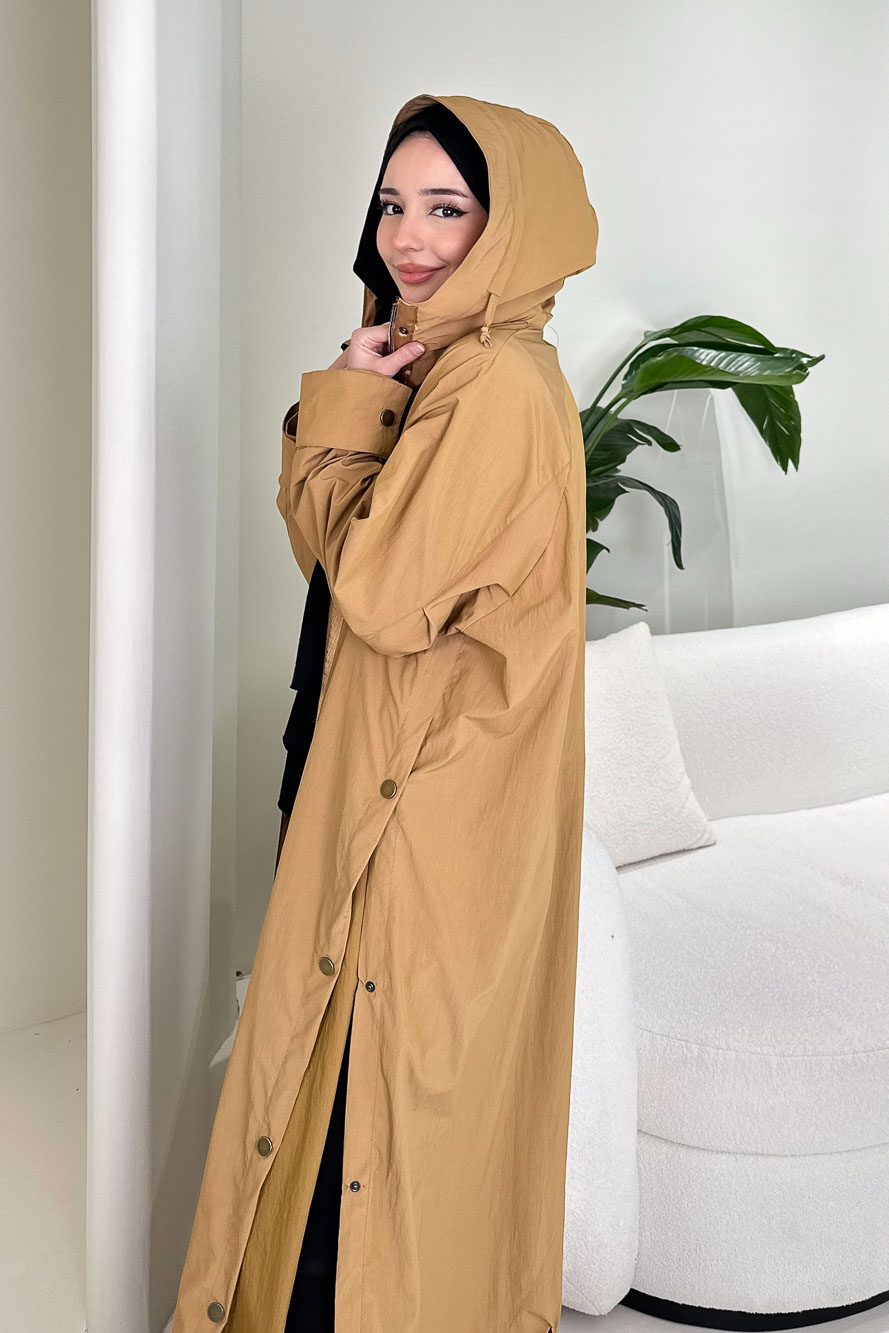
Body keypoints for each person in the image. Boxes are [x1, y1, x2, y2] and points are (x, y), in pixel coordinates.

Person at [171, 93, 598, 1333]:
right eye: (393, 204)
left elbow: (377, 591)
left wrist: (341, 413)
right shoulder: (444, 366)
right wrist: (357, 400)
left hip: (419, 798)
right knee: (333, 1094)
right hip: (376, 759)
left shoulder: (493, 382)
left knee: (366, 1118)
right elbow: (349, 568)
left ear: (508, 225)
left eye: (447, 209)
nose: (408, 237)